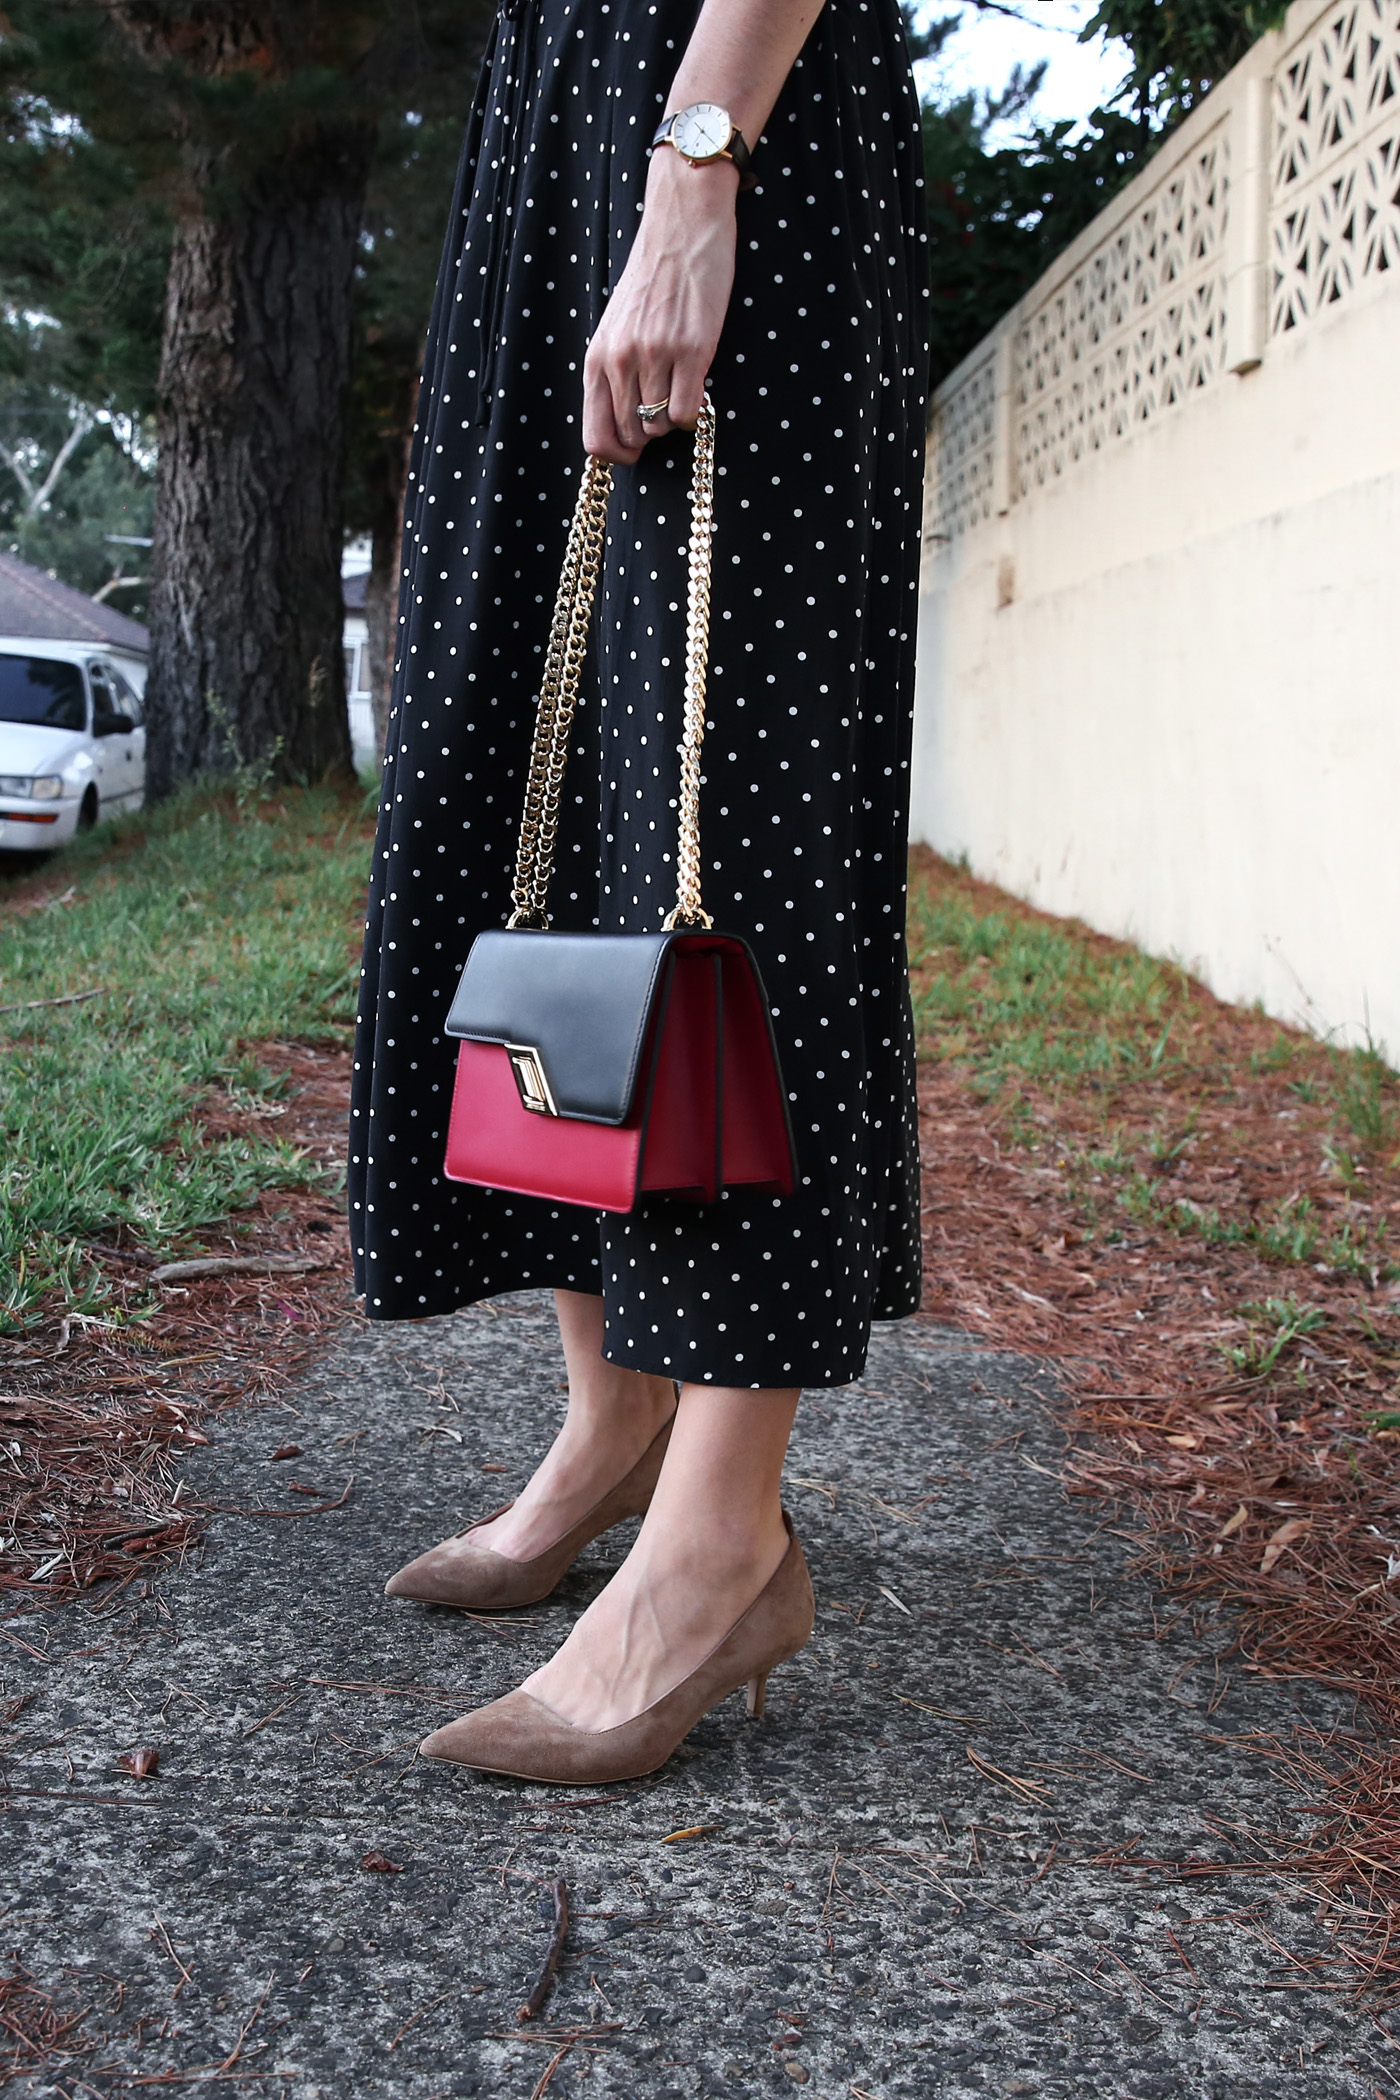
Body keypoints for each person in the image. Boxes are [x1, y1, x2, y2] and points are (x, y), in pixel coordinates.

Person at [348, 0, 930, 1783]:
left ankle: (718, 1540)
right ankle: (611, 1422)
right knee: (533, 788)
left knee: (723, 831)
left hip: (724, 104)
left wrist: (699, 161)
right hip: (557, 127)